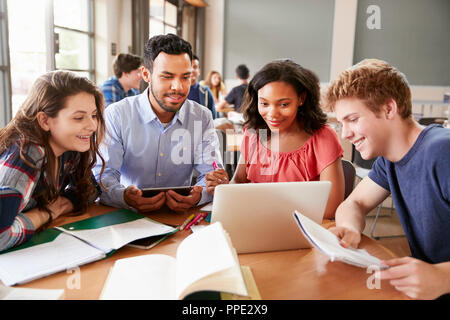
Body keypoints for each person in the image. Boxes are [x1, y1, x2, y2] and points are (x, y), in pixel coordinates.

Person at [325, 59, 450, 300]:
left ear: (388, 109)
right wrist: (350, 228)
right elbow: (354, 204)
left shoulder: (442, 152)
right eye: (342, 124)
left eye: (352, 119)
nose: (346, 133)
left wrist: (443, 277)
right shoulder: (388, 161)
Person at [93, 34, 222, 213]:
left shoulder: (202, 117)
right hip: (126, 215)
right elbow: (103, 175)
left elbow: (211, 174)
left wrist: (199, 196)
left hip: (180, 216)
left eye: (185, 77)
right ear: (146, 74)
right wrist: (124, 196)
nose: (178, 87)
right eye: (167, 77)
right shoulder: (117, 115)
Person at [206, 59, 345, 219]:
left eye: (284, 105)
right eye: (264, 104)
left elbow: (330, 208)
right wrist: (224, 188)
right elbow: (239, 181)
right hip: (255, 224)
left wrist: (262, 206)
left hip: (304, 229)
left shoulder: (322, 137)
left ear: (301, 98)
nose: (272, 114)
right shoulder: (254, 133)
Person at [0, 70, 106, 252]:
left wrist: (62, 204)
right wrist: (47, 212)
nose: (92, 126)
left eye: (94, 115)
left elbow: (90, 190)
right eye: (79, 118)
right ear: (45, 121)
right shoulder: (27, 153)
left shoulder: (68, 148)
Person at [187, 54, 217, 119]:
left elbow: (213, 117)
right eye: (189, 67)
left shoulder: (206, 92)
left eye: (195, 67)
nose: (192, 70)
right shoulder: (177, 91)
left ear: (199, 71)